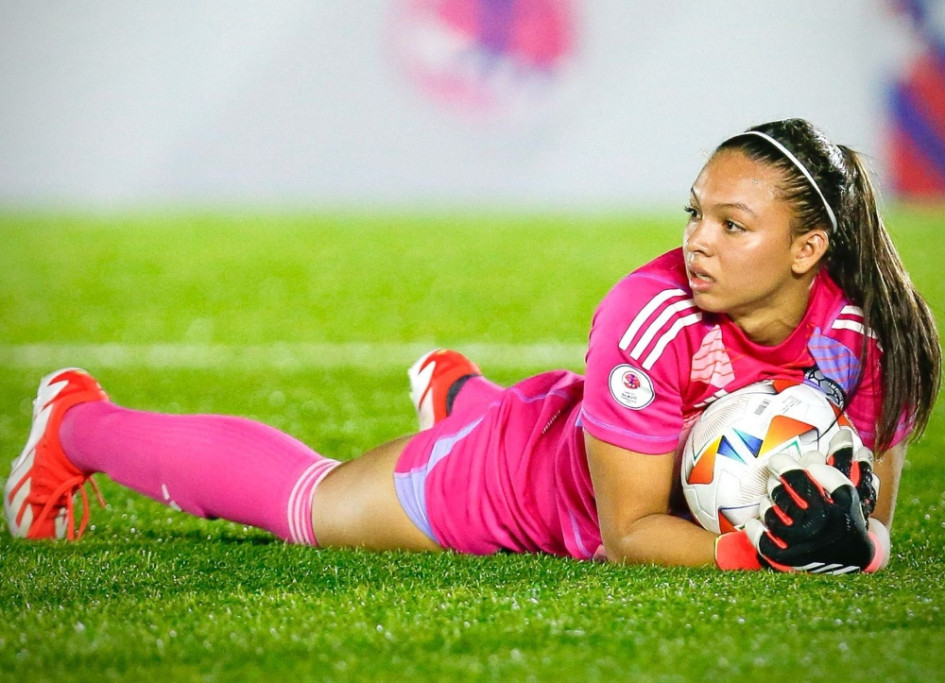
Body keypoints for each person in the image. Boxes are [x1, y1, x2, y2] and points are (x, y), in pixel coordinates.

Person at [5, 118, 940, 574]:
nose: (697, 239)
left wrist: (857, 539)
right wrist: (768, 556)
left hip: (590, 423)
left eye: (732, 224)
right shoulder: (648, 313)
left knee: (574, 414)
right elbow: (626, 533)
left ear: (809, 251)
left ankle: (463, 392)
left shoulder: (877, 336)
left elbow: (868, 515)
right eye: (694, 212)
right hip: (522, 484)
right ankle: (77, 423)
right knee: (309, 505)